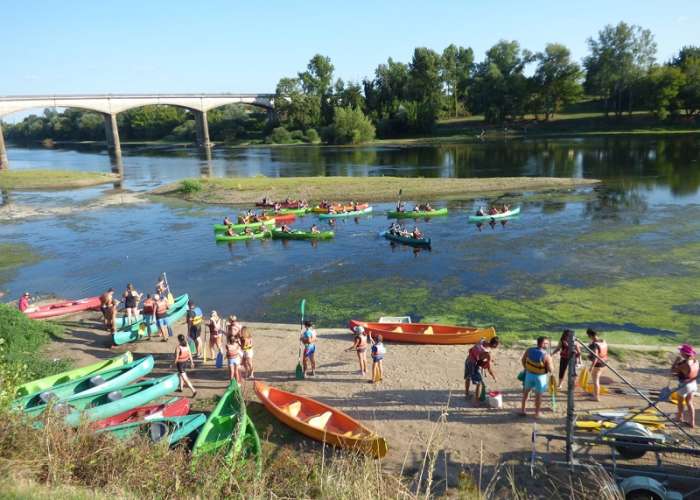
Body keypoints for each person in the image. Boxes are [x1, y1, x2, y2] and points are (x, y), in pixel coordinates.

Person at [520, 337, 554, 418]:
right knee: (538, 396)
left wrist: (527, 368)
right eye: (546, 343)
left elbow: (523, 360)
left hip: (529, 375)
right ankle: (537, 413)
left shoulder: (529, 350)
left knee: (526, 393)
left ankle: (523, 410)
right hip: (540, 378)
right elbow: (551, 370)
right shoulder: (546, 356)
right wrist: (551, 361)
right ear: (542, 344)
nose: (548, 345)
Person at [464, 337, 499, 401]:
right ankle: (476, 401)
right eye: (497, 345)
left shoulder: (482, 341)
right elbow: (488, 367)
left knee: (468, 377)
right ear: (494, 345)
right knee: (479, 383)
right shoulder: (487, 353)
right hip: (473, 364)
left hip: (468, 360)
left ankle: (466, 394)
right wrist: (494, 376)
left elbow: (474, 350)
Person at [672, 344, 698, 428]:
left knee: (680, 402)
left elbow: (673, 370)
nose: (680, 352)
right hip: (693, 384)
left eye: (681, 351)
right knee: (689, 403)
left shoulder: (684, 364)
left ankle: (679, 417)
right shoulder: (695, 361)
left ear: (684, 353)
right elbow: (693, 373)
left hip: (685, 385)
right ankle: (692, 422)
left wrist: (676, 361)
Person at [586, 328, 608, 402]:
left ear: (590, 335)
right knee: (596, 380)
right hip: (604, 362)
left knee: (596, 381)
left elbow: (595, 357)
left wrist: (591, 367)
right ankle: (595, 394)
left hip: (598, 364)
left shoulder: (594, 345)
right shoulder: (603, 341)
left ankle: (596, 397)